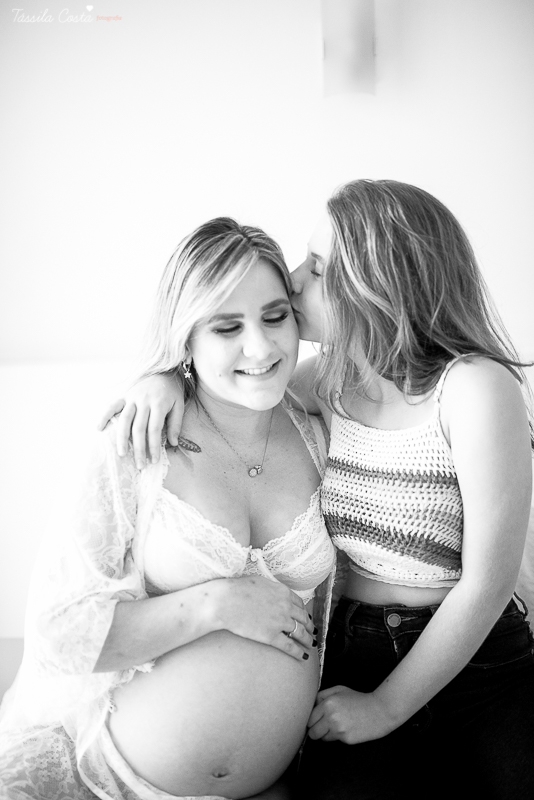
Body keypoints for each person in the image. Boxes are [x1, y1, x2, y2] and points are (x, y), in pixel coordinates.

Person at [100, 180, 534, 800]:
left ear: (379, 287)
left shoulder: (473, 387)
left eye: (319, 268)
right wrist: (165, 378)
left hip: (478, 658)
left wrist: (385, 708)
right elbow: (233, 383)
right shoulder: (324, 385)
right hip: (358, 655)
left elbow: (489, 582)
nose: (294, 280)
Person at [0, 218, 337, 800]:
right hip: (113, 781)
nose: (260, 347)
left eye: (275, 316)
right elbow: (61, 634)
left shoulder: (322, 429)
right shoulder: (137, 441)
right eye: (226, 327)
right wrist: (215, 604)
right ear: (186, 338)